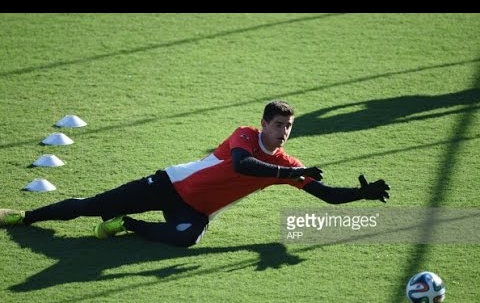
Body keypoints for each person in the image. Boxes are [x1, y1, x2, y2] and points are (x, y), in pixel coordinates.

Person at [0, 101, 390, 248]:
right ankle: (25, 216)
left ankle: (127, 225)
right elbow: (243, 166)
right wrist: (292, 172)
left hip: (195, 211)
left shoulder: (288, 166)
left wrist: (362, 195)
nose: (283, 132)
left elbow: (323, 195)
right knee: (89, 205)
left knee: (186, 238)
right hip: (169, 185)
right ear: (263, 124)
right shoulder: (245, 136)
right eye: (278, 125)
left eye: (288, 127)